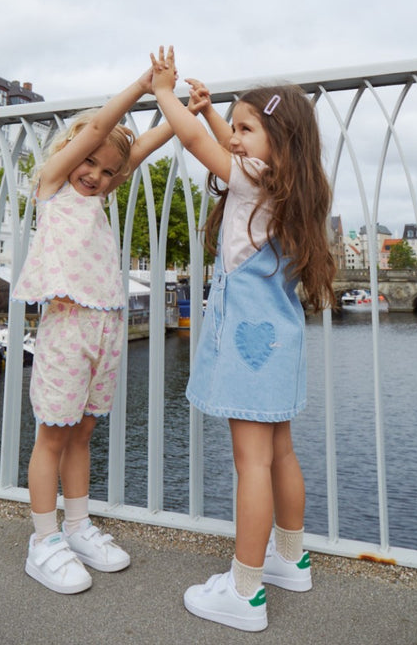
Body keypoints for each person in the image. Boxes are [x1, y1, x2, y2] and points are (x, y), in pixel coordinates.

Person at [152, 47, 336, 633]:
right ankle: (290, 558)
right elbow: (227, 145)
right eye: (232, 127)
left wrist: (164, 94)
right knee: (280, 452)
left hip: (250, 341)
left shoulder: (253, 178)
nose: (233, 138)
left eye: (245, 128)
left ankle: (245, 591)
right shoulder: (289, 187)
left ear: (278, 142)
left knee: (250, 463)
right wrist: (215, 114)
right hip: (282, 338)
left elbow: (195, 143)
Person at [12, 65, 180, 594]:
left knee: (83, 432)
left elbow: (139, 149)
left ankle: (78, 526)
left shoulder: (98, 198)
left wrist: (181, 110)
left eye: (108, 172)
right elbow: (99, 130)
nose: (96, 175)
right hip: (67, 328)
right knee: (52, 436)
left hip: (105, 326)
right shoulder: (52, 187)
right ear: (71, 150)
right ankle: (44, 540)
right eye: (89, 161)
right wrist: (142, 88)